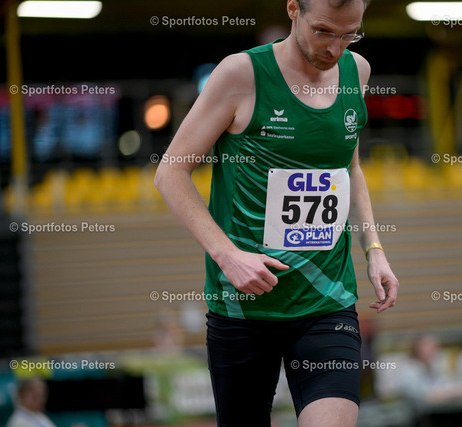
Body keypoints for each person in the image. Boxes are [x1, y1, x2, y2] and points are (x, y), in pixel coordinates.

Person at [154, 0, 399, 425]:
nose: (335, 48)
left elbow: (350, 167)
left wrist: (373, 248)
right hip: (245, 308)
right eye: (323, 31)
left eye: (350, 34)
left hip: (327, 302)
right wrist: (228, 255)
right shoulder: (240, 75)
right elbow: (170, 172)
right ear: (293, 10)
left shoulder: (356, 71)